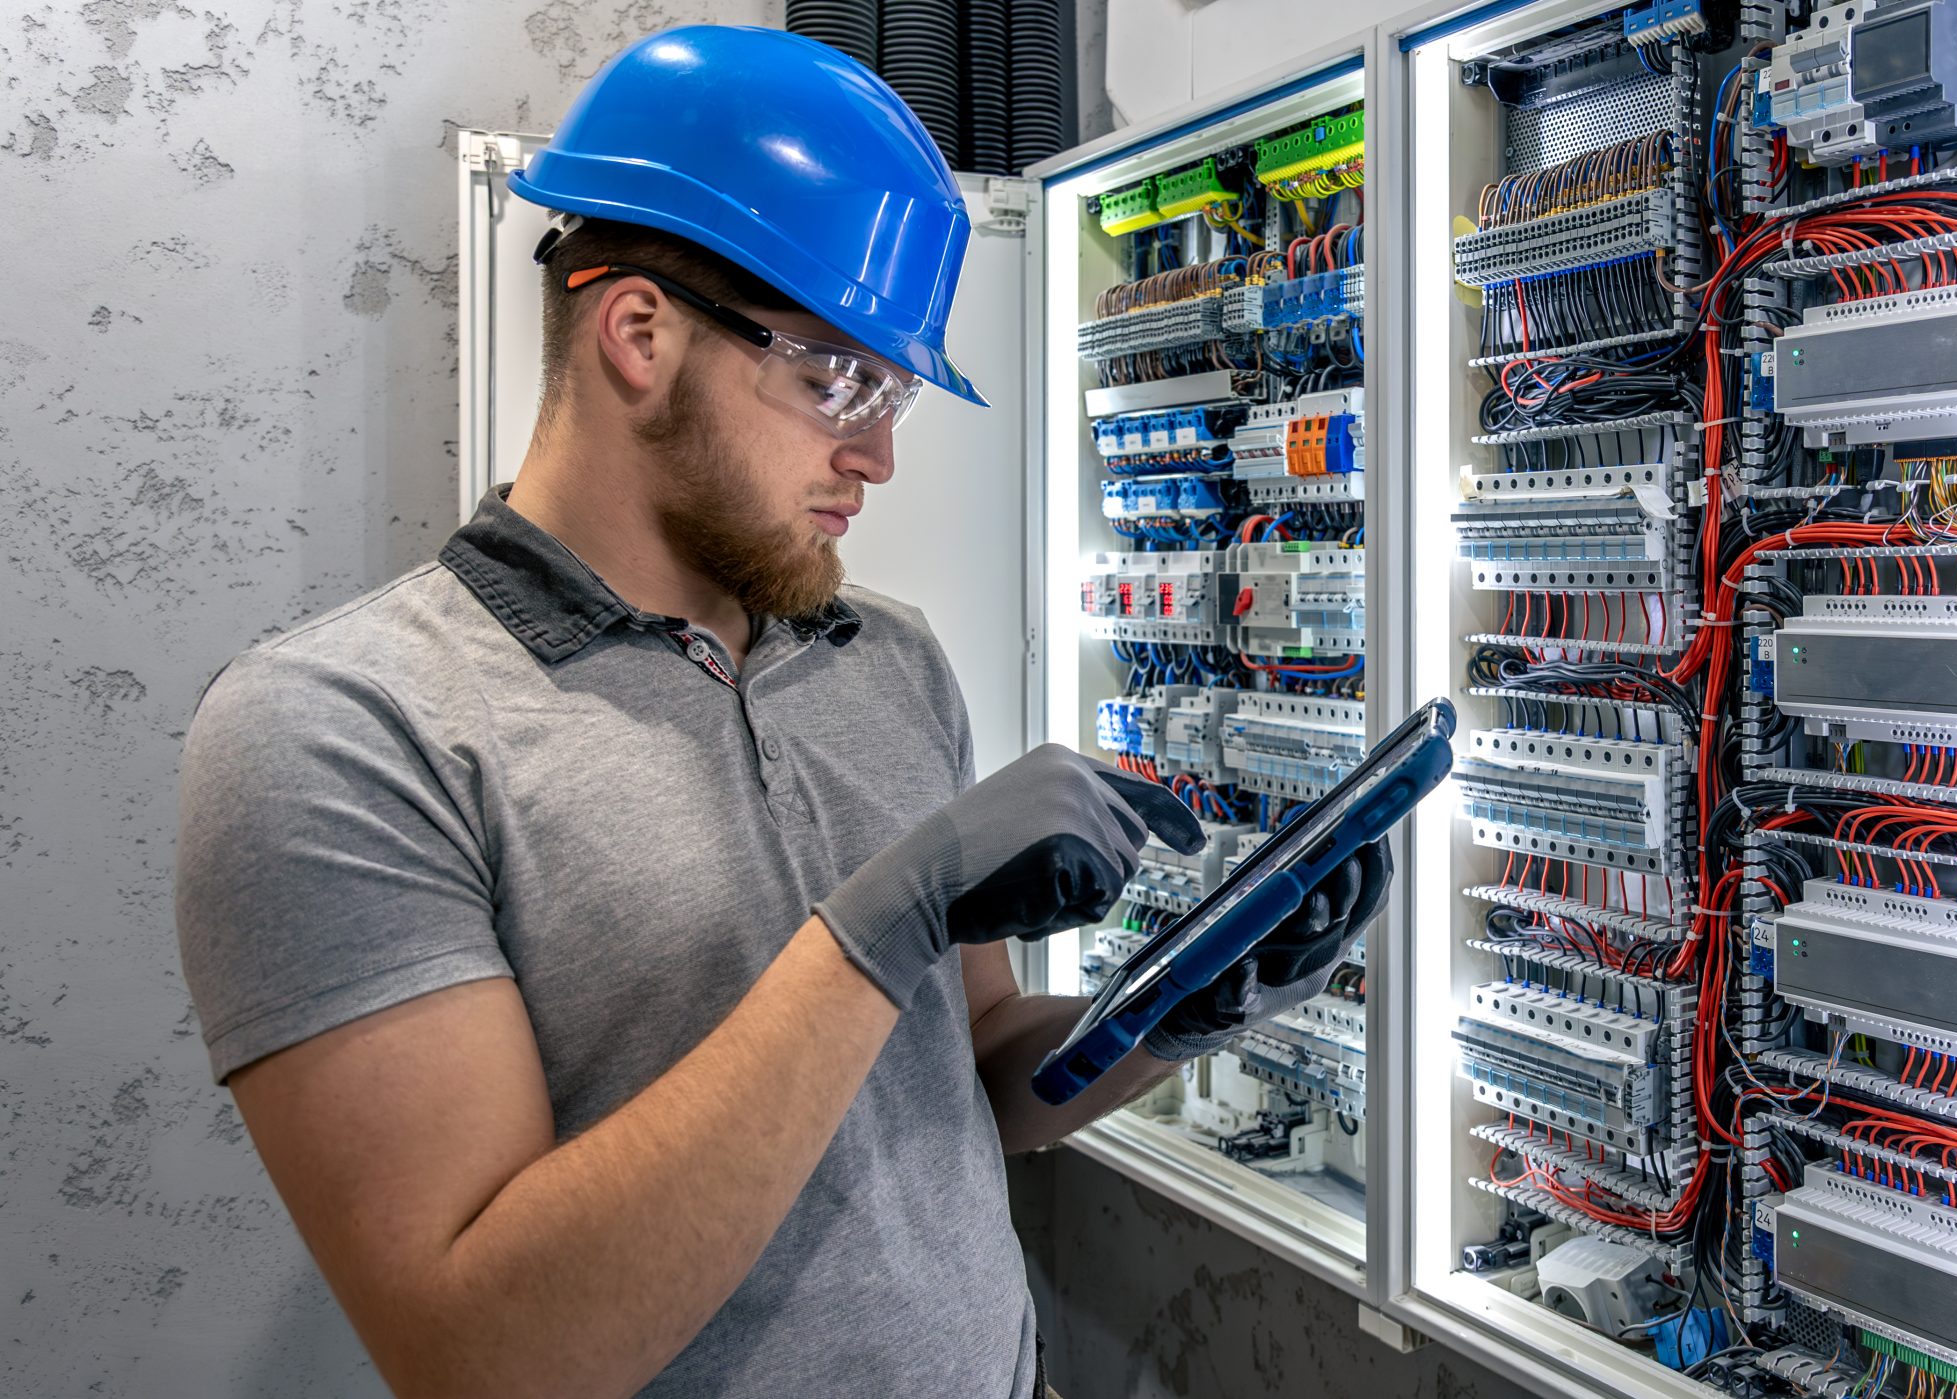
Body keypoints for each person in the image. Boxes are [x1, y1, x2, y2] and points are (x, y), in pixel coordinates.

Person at [172, 25, 1388, 1399]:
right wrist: (875, 926)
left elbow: (978, 1074)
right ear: (639, 332)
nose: (872, 451)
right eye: (839, 379)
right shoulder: (341, 734)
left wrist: (1180, 1011)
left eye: (897, 397)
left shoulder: (892, 663)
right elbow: (483, 1353)